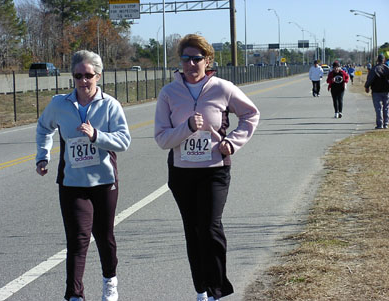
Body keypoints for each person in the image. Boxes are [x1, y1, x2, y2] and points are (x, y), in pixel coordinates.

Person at [154, 34, 260, 301]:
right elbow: (161, 138)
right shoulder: (169, 93)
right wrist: (187, 127)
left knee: (210, 227)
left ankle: (216, 289)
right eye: (186, 59)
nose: (191, 64)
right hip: (182, 171)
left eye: (197, 59)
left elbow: (250, 114)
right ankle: (201, 289)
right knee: (193, 230)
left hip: (214, 169)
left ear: (208, 60)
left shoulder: (222, 88)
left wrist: (233, 142)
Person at [36, 50, 131, 301]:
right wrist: (42, 156)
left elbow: (124, 141)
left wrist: (97, 136)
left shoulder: (110, 105)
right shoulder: (59, 104)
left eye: (88, 75)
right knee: (77, 239)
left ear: (98, 76)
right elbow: (44, 127)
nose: (83, 81)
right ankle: (74, 295)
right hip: (72, 183)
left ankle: (110, 281)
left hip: (104, 182)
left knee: (104, 236)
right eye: (78, 75)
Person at [364, 54, 389, 129]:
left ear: (377, 60)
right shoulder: (387, 68)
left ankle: (379, 124)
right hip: (386, 90)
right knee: (386, 107)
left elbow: (370, 79)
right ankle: (386, 123)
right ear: (384, 60)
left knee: (378, 108)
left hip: (376, 91)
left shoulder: (374, 69)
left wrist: (367, 86)